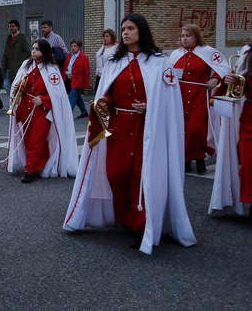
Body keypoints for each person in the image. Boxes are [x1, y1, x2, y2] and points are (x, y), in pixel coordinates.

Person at [63, 13, 196, 254]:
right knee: (116, 173)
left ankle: (141, 224)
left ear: (141, 32)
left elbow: (169, 100)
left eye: (131, 28)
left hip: (148, 128)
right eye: (123, 28)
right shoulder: (115, 62)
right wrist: (101, 104)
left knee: (140, 175)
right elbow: (107, 92)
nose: (125, 33)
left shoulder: (159, 62)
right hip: (118, 126)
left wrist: (150, 107)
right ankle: (124, 216)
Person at [6, 39, 78, 183]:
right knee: (28, 139)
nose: (33, 51)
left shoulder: (51, 70)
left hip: (42, 111)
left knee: (36, 140)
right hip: (25, 108)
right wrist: (17, 88)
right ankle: (41, 163)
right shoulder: (26, 66)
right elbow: (18, 84)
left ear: (44, 52)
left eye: (37, 49)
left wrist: (44, 99)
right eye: (33, 48)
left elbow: (58, 94)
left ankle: (30, 170)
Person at [168, 24, 229, 174]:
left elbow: (223, 67)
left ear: (196, 37)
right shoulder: (176, 54)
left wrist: (215, 79)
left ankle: (200, 157)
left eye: (188, 36)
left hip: (199, 94)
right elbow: (167, 73)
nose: (185, 39)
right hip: (180, 95)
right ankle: (186, 160)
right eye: (182, 36)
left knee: (196, 128)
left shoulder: (207, 52)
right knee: (183, 129)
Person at [217, 55, 252, 217]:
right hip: (250, 120)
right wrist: (228, 82)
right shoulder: (247, 61)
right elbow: (233, 93)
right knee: (248, 162)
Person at [64, 39, 90, 119]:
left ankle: (67, 115)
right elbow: (66, 67)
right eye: (71, 46)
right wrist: (66, 73)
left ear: (79, 47)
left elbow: (86, 71)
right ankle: (84, 111)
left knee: (72, 96)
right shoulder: (69, 56)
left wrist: (86, 84)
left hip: (78, 81)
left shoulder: (84, 57)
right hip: (68, 79)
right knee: (77, 97)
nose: (73, 48)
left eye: (75, 46)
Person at [2, 19, 31, 92]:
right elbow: (6, 51)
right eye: (9, 26)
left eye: (12, 26)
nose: (10, 28)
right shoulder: (9, 38)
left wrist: (20, 62)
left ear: (17, 27)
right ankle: (14, 101)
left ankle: (15, 102)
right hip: (7, 67)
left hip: (17, 67)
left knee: (15, 86)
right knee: (6, 85)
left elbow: (28, 52)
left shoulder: (22, 37)